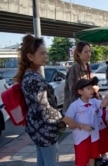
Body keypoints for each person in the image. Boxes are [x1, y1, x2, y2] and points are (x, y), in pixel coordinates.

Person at [13, 34, 63, 166]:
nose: (45, 56)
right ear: (30, 56)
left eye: (45, 53)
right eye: (41, 53)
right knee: (51, 162)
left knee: (42, 161)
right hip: (44, 130)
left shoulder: (30, 76)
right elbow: (44, 107)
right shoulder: (33, 78)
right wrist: (64, 119)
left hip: (37, 128)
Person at [62, 77, 108, 166]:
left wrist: (106, 97)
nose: (91, 90)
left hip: (94, 137)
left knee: (92, 158)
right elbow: (67, 121)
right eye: (88, 88)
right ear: (80, 92)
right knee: (81, 161)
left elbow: (102, 104)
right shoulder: (75, 106)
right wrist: (82, 126)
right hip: (81, 139)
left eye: (91, 88)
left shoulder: (94, 101)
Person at [63, 41, 92, 112]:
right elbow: (73, 89)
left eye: (89, 51)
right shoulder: (75, 67)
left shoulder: (88, 66)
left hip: (85, 104)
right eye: (85, 52)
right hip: (76, 107)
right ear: (79, 54)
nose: (89, 54)